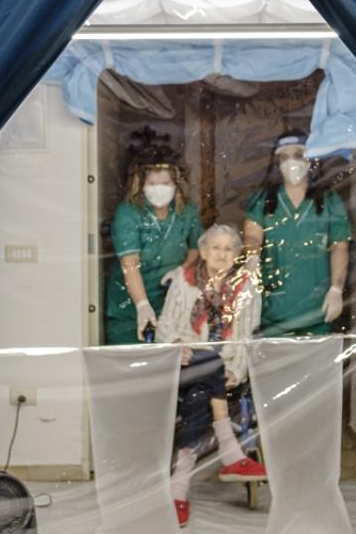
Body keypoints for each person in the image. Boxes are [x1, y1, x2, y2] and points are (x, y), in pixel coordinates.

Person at [157, 223, 267, 527]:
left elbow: (246, 337)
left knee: (199, 393)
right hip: (183, 364)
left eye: (228, 249)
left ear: (236, 255)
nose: (221, 254)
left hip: (221, 371)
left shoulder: (246, 289)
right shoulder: (184, 282)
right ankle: (231, 450)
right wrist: (177, 346)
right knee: (209, 361)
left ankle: (178, 489)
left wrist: (235, 369)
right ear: (203, 252)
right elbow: (165, 327)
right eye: (215, 248)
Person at [242, 130, 353, 337]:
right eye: (284, 157)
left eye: (298, 155)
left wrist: (336, 289)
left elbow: (340, 247)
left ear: (311, 159)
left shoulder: (328, 200)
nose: (291, 162)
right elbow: (252, 237)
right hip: (274, 311)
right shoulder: (264, 200)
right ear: (277, 162)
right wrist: (252, 257)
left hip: (317, 310)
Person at [104, 142, 201, 345]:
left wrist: (181, 270)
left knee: (173, 358)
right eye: (152, 183)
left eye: (165, 183)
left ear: (177, 183)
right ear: (140, 184)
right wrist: (142, 305)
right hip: (129, 309)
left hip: (172, 303)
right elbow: (130, 264)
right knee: (134, 358)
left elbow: (196, 247)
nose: (159, 189)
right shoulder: (128, 213)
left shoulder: (186, 211)